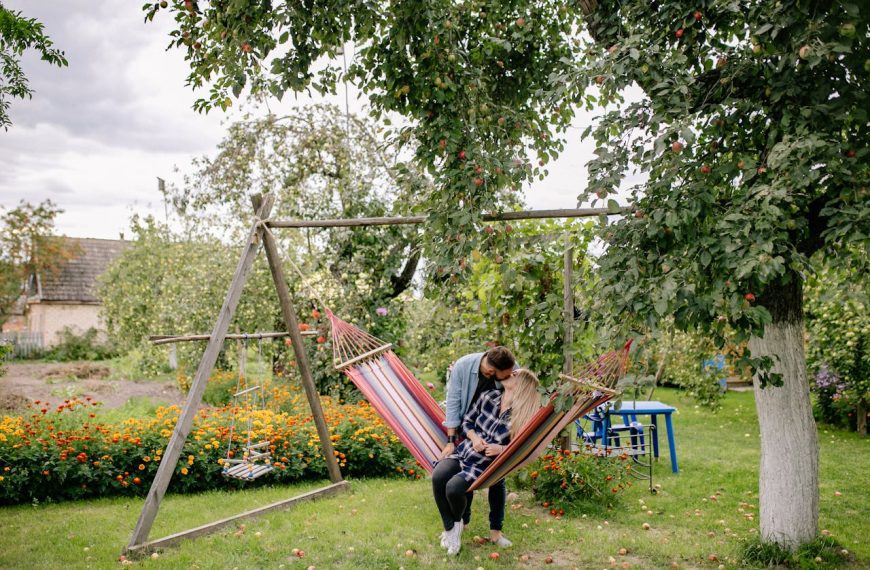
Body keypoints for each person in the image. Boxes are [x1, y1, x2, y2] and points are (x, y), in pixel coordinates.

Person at [433, 368, 542, 555]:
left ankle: (457, 530)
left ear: (523, 385)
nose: (510, 373)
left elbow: (522, 447)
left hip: (484, 465)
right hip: (465, 451)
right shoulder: (488, 396)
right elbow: (467, 421)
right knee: (438, 477)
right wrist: (474, 437)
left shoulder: (522, 416)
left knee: (453, 488)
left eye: (516, 374)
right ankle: (451, 529)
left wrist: (502, 449)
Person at [440, 346, 516, 547]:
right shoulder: (464, 366)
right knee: (463, 476)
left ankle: (495, 533)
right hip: (471, 426)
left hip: (498, 437)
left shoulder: (509, 370)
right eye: (504, 377)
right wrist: (451, 440)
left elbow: (524, 389)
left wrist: (503, 449)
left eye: (510, 376)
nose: (508, 378)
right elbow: (454, 402)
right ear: (491, 371)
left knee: (496, 480)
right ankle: (462, 521)